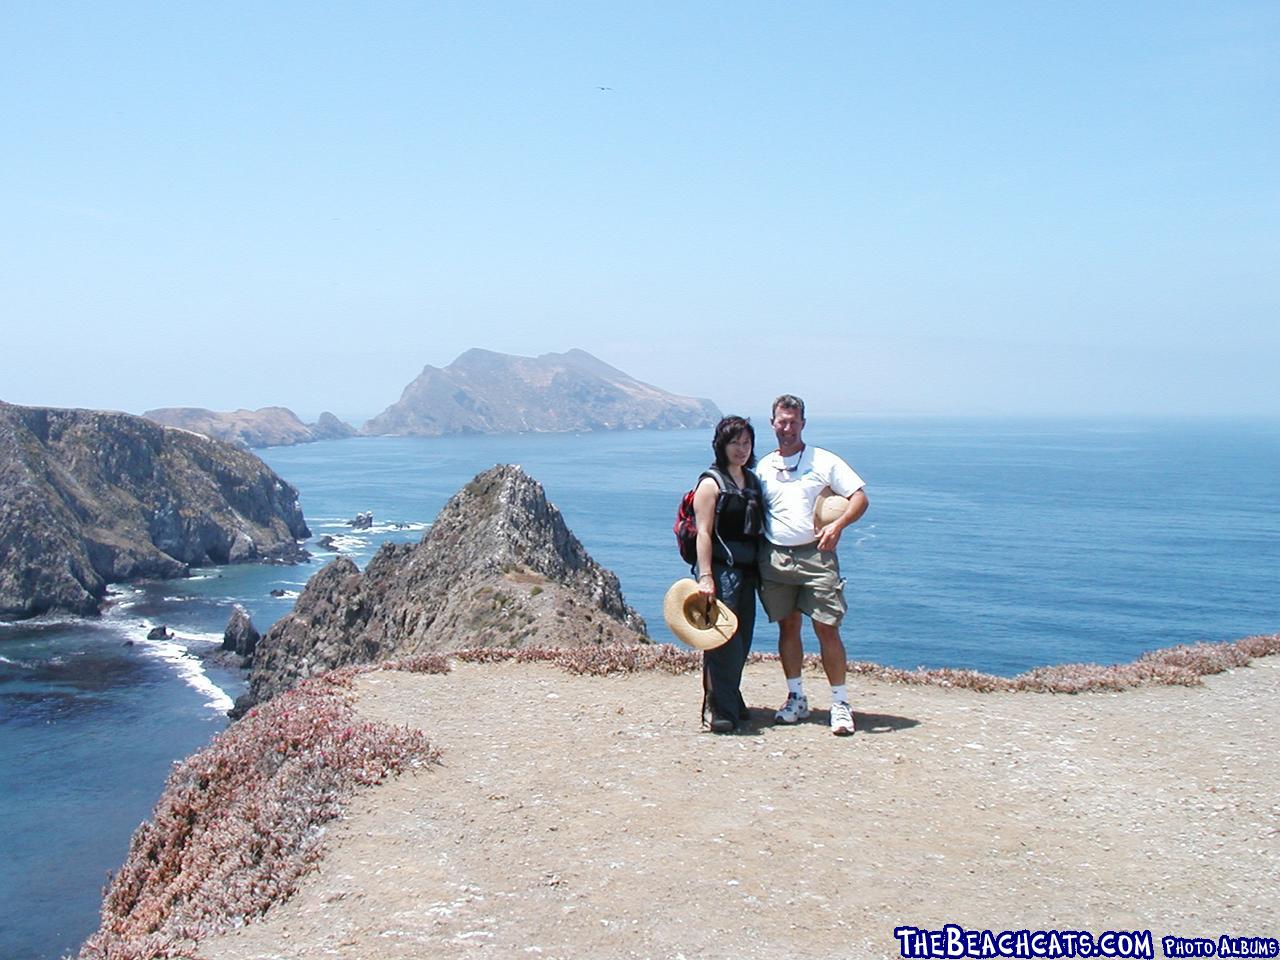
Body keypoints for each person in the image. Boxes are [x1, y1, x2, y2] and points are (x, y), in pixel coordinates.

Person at [755, 394, 868, 735]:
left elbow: (860, 497)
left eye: (793, 421)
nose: (787, 428)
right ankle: (796, 697)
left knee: (827, 628)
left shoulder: (824, 461)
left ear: (803, 424)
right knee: (787, 628)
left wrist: (837, 525)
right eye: (781, 421)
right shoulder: (763, 467)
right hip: (776, 558)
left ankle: (840, 703)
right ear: (772, 423)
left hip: (816, 556)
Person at [692, 415, 764, 733]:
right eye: (735, 442)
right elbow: (703, 533)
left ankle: (730, 694)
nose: (742, 448)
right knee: (722, 642)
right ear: (721, 445)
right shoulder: (711, 483)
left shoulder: (751, 480)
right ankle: (720, 709)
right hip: (721, 573)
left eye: (746, 442)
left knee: (743, 638)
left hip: (747, 572)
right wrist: (706, 576)